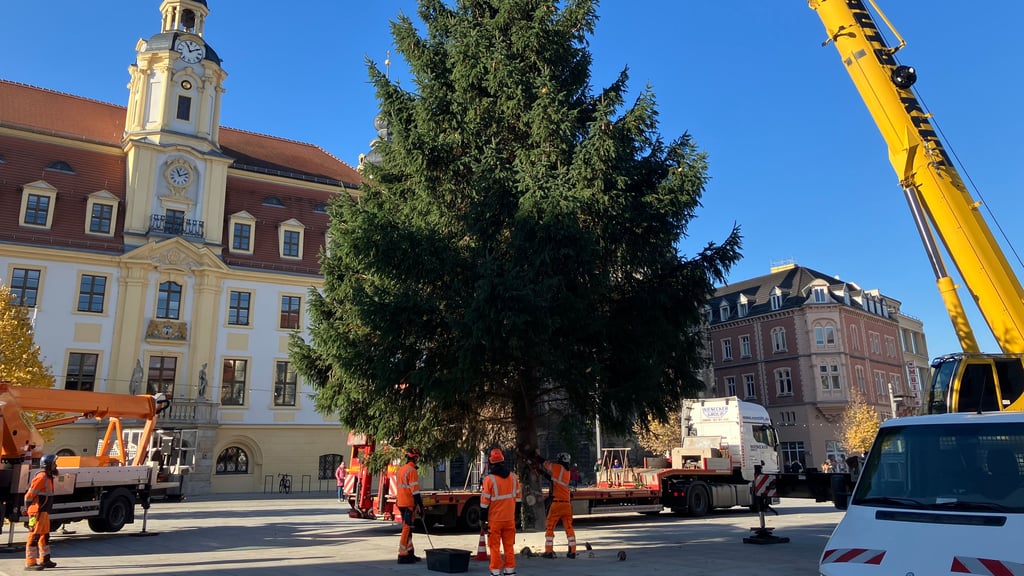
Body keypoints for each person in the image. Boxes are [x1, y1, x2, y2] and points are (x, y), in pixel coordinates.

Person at [480, 448, 521, 576]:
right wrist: (516, 516)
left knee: (495, 548)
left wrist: (482, 519)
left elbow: (484, 503)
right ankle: (510, 572)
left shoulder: (489, 480)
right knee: (509, 547)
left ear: (491, 463)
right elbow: (519, 499)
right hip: (509, 519)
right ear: (503, 461)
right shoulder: (514, 477)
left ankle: (495, 572)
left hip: (495, 521)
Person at [533, 452, 577, 559]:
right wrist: (542, 472)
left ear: (560, 460)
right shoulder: (567, 472)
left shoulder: (557, 467)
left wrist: (536, 457)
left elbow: (546, 463)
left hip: (557, 503)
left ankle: (549, 551)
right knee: (569, 527)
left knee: (550, 526)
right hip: (567, 504)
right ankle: (572, 551)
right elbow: (553, 479)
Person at [25, 454, 59, 571]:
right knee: (34, 536)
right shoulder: (41, 477)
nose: (56, 465)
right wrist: (29, 510)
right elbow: (29, 496)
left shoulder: (48, 477)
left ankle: (45, 560)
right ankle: (31, 563)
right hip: (37, 512)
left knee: (45, 535)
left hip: (44, 512)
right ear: (48, 465)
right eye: (54, 463)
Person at [395, 448, 424, 564]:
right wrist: (421, 506)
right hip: (408, 503)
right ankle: (402, 554)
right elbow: (415, 491)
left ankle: (410, 552)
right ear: (415, 458)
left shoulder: (401, 469)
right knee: (407, 528)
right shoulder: (412, 471)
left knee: (409, 528)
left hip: (401, 502)